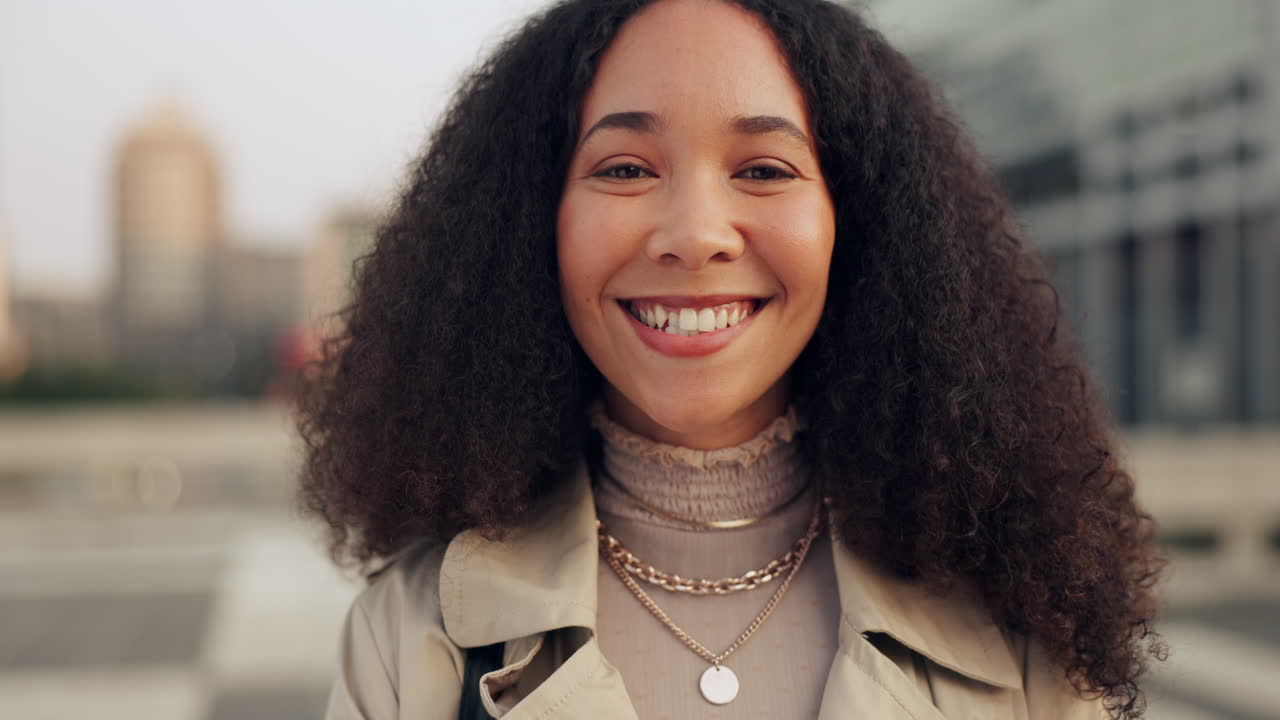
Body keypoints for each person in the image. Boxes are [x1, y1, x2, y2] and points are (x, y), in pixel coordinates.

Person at [296, 0, 1167, 718]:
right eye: (625, 169)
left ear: (855, 223)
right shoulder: (410, 639)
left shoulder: (1018, 628)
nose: (694, 234)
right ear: (533, 224)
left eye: (764, 170)